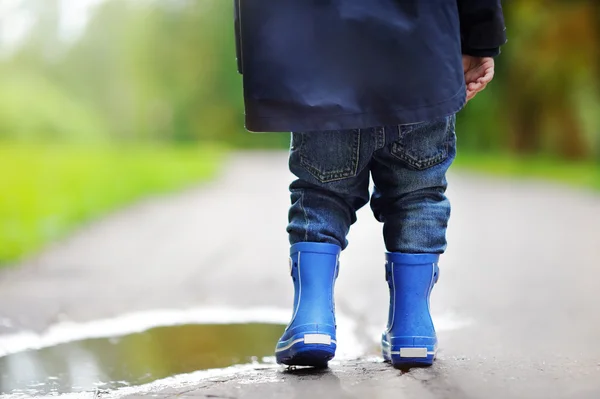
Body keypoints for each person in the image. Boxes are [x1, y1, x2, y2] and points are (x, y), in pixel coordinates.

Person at [234, 0, 506, 369]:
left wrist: (258, 53)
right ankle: (413, 330)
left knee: (320, 193)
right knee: (419, 193)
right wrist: (480, 37)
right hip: (421, 55)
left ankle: (312, 323)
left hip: (322, 60)